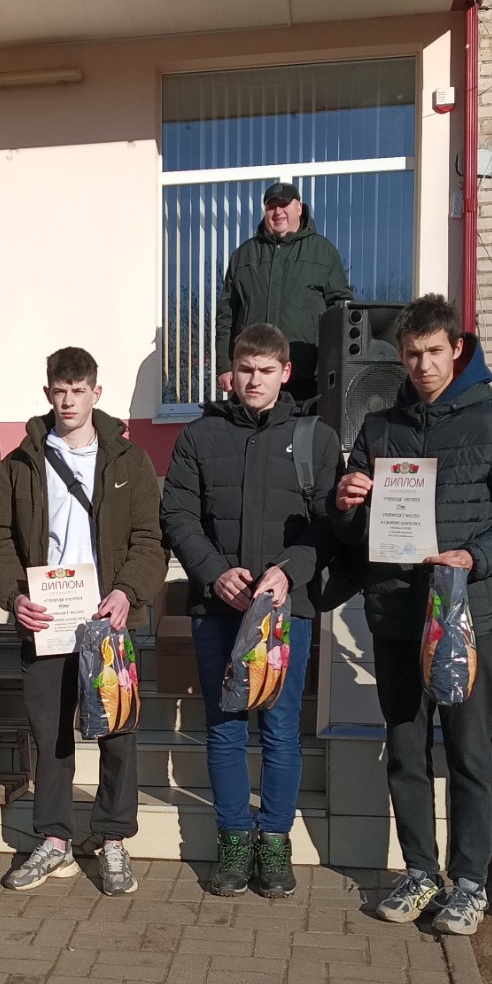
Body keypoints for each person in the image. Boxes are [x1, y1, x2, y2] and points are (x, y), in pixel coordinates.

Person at [334, 293, 492, 937]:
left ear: (457, 348)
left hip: (467, 616)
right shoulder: (380, 428)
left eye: (433, 351)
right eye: (410, 354)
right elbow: (354, 532)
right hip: (397, 610)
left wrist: (473, 557)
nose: (422, 365)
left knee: (469, 753)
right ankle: (421, 871)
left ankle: (471, 882)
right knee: (405, 749)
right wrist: (346, 501)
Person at [161, 322, 341, 898]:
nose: (255, 380)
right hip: (219, 609)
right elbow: (178, 516)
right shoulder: (198, 436)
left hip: (287, 611)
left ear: (286, 372)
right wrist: (214, 572)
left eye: (266, 370)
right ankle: (234, 840)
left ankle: (275, 841)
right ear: (230, 373)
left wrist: (289, 570)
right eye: (245, 370)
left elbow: (328, 525)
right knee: (225, 727)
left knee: (282, 730)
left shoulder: (316, 438)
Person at [0, 347, 165, 897]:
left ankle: (112, 839)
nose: (68, 401)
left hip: (107, 617)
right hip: (47, 617)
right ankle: (55, 839)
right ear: (48, 393)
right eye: (59, 391)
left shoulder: (128, 461)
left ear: (96, 393)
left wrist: (127, 592)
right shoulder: (20, 463)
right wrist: (14, 595)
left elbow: (149, 540)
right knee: (50, 733)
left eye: (78, 390)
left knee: (117, 733)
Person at [213, 181, 351, 402]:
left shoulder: (323, 251)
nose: (278, 212)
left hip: (308, 379)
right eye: (271, 206)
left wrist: (336, 367)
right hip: (253, 379)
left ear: (299, 208)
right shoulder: (244, 254)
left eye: (284, 205)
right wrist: (224, 366)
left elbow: (341, 312)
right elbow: (226, 316)